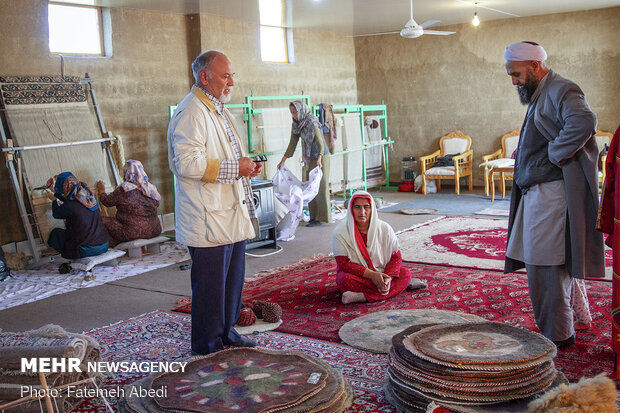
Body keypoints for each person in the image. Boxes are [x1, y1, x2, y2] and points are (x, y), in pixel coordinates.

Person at [503, 41, 605, 348]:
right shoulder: (542, 91)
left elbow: (584, 122)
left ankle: (558, 338)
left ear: (535, 66)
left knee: (547, 269)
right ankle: (558, 331)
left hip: (552, 196)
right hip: (539, 195)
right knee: (541, 267)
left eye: (517, 73)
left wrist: (552, 154)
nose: (514, 81)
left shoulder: (562, 88)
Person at [167, 50, 262, 355]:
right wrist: (237, 168)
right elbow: (187, 163)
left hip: (228, 213)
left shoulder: (218, 109)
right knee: (210, 288)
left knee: (231, 282)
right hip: (207, 217)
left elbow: (225, 153)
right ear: (204, 77)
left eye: (232, 75)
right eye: (225, 75)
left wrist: (246, 165)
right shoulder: (192, 111)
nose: (231, 81)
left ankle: (226, 333)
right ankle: (207, 345)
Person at [332, 190, 425, 304]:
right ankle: (396, 288)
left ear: (372, 209)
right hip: (360, 276)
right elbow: (344, 264)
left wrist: (388, 278)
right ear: (351, 209)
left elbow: (396, 257)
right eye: (357, 207)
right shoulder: (341, 233)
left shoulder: (384, 229)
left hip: (384, 272)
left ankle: (363, 296)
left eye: (366, 207)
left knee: (405, 274)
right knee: (343, 280)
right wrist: (372, 275)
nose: (362, 212)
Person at [277, 100, 332, 226]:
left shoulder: (312, 122)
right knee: (310, 187)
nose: (293, 115)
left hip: (321, 157)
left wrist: (319, 159)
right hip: (309, 158)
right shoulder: (297, 124)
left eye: (295, 112)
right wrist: (283, 161)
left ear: (301, 110)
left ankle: (323, 218)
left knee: (320, 187)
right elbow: (292, 144)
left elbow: (320, 143)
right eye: (291, 112)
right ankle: (314, 217)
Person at [95, 160, 162, 247]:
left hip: (132, 232)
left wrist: (102, 191)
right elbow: (157, 203)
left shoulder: (125, 189)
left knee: (100, 220)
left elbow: (107, 202)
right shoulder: (151, 189)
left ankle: (108, 245)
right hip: (155, 230)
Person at [45, 172, 109, 259]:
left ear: (64, 188)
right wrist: (54, 192)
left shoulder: (70, 206)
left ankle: (69, 255)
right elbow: (71, 200)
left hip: (86, 250)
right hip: (104, 245)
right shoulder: (89, 196)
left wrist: (54, 200)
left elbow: (56, 214)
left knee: (56, 234)